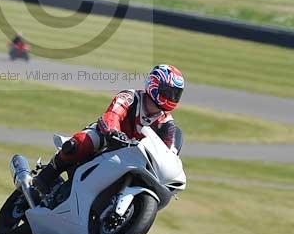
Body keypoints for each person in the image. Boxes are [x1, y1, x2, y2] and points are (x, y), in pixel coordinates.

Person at [34, 64, 185, 194]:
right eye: (168, 92)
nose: (172, 97)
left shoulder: (167, 123)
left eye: (175, 94)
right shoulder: (130, 96)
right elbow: (112, 115)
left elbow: (168, 153)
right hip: (108, 138)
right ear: (154, 84)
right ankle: (45, 177)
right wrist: (113, 132)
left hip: (134, 157)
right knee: (79, 143)